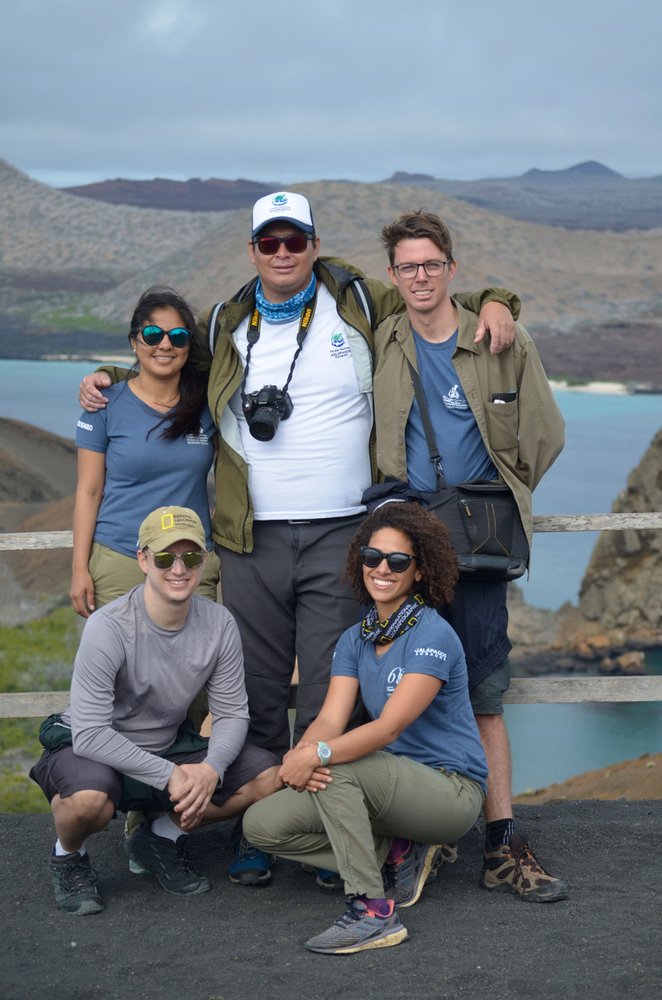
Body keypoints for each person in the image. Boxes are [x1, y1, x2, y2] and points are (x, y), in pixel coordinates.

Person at [78, 191, 519, 884]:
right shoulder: (227, 319)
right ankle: (260, 828)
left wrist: (499, 299)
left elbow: (428, 292)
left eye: (295, 240)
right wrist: (106, 376)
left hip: (344, 528)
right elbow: (169, 362)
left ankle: (318, 826)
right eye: (269, 242)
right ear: (253, 249)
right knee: (250, 690)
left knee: (324, 688)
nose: (282, 253)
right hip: (250, 534)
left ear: (314, 244)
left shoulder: (359, 302)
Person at [373, 210, 568, 901]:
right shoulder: (385, 336)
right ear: (392, 275)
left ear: (451, 268)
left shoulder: (499, 339)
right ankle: (420, 833)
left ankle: (500, 842)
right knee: (404, 688)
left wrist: (496, 493)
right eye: (407, 266)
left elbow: (545, 435)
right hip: (406, 545)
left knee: (483, 690)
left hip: (478, 548)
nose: (420, 276)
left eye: (431, 264)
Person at [243, 502, 487, 955]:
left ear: (419, 571)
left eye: (398, 561)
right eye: (372, 557)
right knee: (262, 825)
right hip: (389, 788)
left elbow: (390, 727)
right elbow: (331, 720)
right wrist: (300, 756)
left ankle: (373, 911)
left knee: (336, 767)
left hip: (449, 790)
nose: (383, 569)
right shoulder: (357, 638)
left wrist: (317, 757)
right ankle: (394, 850)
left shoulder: (431, 635)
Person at [30, 506, 281, 916]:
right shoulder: (108, 626)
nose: (178, 569)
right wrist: (173, 775)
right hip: (94, 750)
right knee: (89, 801)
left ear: (204, 560)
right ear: (143, 559)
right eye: (165, 558)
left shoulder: (219, 624)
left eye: (191, 557)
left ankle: (159, 837)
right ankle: (68, 855)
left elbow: (233, 713)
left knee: (268, 776)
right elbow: (90, 733)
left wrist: (210, 769)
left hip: (167, 745)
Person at [70, 286, 219, 621]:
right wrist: (79, 569)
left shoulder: (208, 406)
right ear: (134, 341)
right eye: (153, 334)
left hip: (191, 562)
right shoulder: (104, 405)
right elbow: (88, 490)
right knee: (121, 670)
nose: (165, 344)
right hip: (120, 559)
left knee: (193, 669)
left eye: (178, 336)